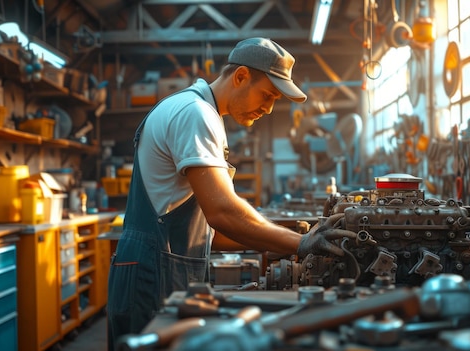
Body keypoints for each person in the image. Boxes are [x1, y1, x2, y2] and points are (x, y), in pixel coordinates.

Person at [106, 37, 357, 349]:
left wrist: (284, 236)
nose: (268, 109)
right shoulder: (195, 113)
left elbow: (214, 233)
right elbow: (223, 212)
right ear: (240, 76)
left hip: (164, 267)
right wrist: (302, 243)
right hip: (152, 273)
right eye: (267, 95)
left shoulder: (200, 111)